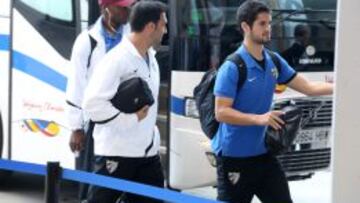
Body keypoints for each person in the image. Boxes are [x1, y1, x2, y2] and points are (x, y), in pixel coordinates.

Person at [212, 1, 333, 203]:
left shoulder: (274, 60)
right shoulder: (232, 66)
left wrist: (346, 87)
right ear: (245, 27)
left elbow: (309, 88)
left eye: (269, 23)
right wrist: (260, 119)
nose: (268, 28)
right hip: (234, 158)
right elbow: (221, 112)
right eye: (262, 24)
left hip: (263, 155)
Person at [82, 1, 167, 203]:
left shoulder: (151, 57)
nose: (166, 30)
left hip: (147, 153)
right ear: (150, 27)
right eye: (164, 24)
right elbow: (92, 104)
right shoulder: (116, 60)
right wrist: (131, 119)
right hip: (116, 152)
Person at [65, 0, 135, 201]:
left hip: (122, 122)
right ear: (106, 9)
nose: (127, 10)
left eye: (128, 6)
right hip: (95, 125)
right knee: (91, 186)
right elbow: (76, 86)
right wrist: (76, 128)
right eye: (121, 6)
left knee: (118, 187)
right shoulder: (87, 41)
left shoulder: (131, 37)